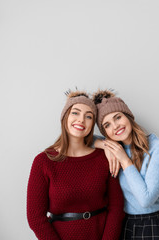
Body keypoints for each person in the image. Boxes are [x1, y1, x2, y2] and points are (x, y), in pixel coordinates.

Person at [27, 90, 125, 240]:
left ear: (93, 124)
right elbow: (35, 218)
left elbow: (116, 208)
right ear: (65, 116)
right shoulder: (43, 162)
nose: (81, 120)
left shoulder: (104, 158)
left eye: (88, 116)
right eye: (75, 113)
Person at [92, 90, 159, 240]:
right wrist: (104, 144)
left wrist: (124, 160)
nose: (116, 126)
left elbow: (146, 200)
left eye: (118, 117)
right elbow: (80, 138)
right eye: (107, 125)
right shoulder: (113, 149)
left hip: (154, 224)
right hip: (124, 223)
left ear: (128, 116)